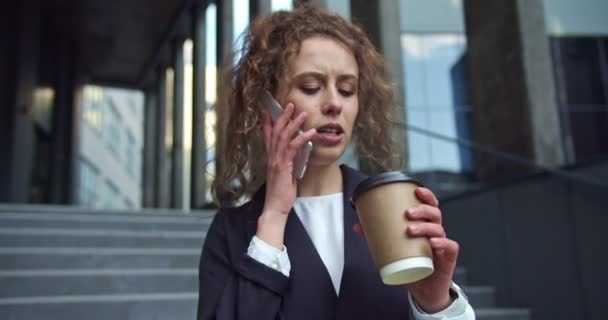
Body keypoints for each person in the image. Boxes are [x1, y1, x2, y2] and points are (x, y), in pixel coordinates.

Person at [197, 5, 475, 320]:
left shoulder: (397, 208)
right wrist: (273, 217)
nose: (333, 104)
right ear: (268, 105)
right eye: (311, 87)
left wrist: (436, 302)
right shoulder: (232, 231)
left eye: (347, 90)